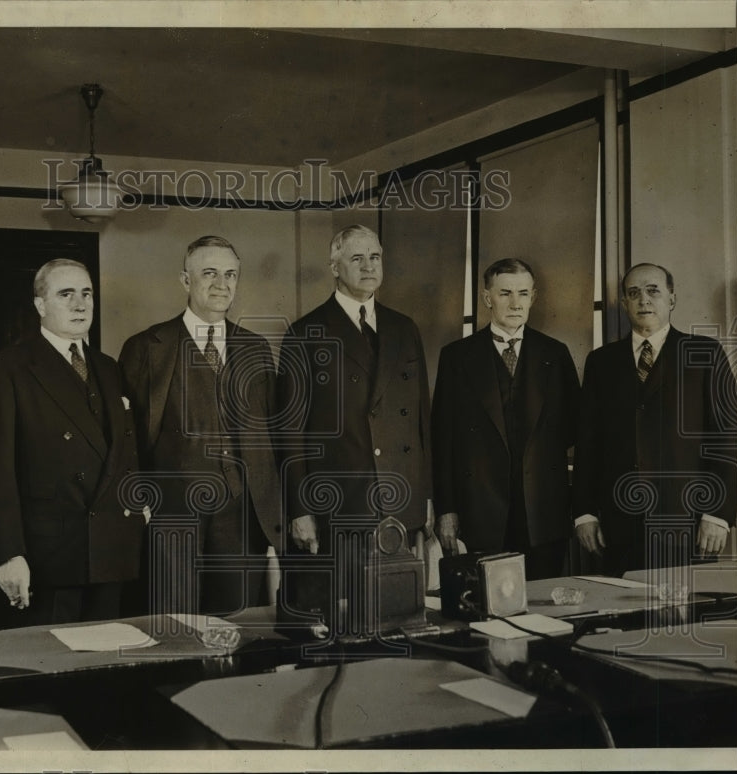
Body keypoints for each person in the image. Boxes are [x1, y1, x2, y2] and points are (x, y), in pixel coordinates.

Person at [277, 224, 432, 632]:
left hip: (400, 504)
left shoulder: (404, 328)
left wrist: (427, 495)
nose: (368, 267)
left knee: (400, 622)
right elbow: (290, 433)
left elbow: (422, 422)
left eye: (375, 257)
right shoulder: (306, 333)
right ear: (334, 266)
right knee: (345, 625)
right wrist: (300, 508)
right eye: (357, 258)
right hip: (340, 507)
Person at [119, 236, 283, 617]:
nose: (221, 284)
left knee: (237, 626)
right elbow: (126, 439)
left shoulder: (256, 348)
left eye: (230, 275)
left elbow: (272, 437)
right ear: (185, 280)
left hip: (241, 516)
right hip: (172, 515)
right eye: (209, 273)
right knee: (174, 624)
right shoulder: (147, 347)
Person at [0, 259, 144, 624]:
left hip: (111, 549)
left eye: (87, 294)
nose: (80, 305)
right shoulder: (9, 367)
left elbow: (123, 453)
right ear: (40, 305)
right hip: (49, 556)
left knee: (108, 651)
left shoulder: (108, 367)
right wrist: (8, 553)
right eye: (66, 294)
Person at [573, 263, 737, 576]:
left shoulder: (704, 352)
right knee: (622, 605)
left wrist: (718, 513)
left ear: (672, 299)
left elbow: (726, 438)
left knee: (683, 606)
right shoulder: (601, 362)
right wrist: (584, 514)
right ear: (624, 303)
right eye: (634, 293)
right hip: (619, 526)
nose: (643, 300)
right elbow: (587, 443)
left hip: (688, 522)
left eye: (653, 291)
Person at [431, 259, 580, 580]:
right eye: (505, 294)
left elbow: (574, 431)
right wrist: (446, 510)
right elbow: (442, 441)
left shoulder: (555, 354)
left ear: (533, 297)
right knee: (488, 602)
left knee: (544, 601)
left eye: (523, 293)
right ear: (487, 298)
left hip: (543, 515)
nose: (515, 303)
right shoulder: (457, 357)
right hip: (480, 514)